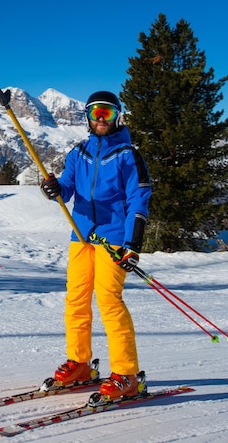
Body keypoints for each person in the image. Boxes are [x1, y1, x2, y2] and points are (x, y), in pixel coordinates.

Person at [40, 90, 152, 400]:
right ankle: (79, 363)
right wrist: (54, 188)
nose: (100, 118)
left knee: (109, 301)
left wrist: (133, 243)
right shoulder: (79, 153)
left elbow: (138, 200)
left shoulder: (129, 155)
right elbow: (68, 187)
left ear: (117, 115)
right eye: (94, 113)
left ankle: (126, 374)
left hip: (114, 239)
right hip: (81, 235)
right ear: (87, 117)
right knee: (76, 299)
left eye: (106, 112)